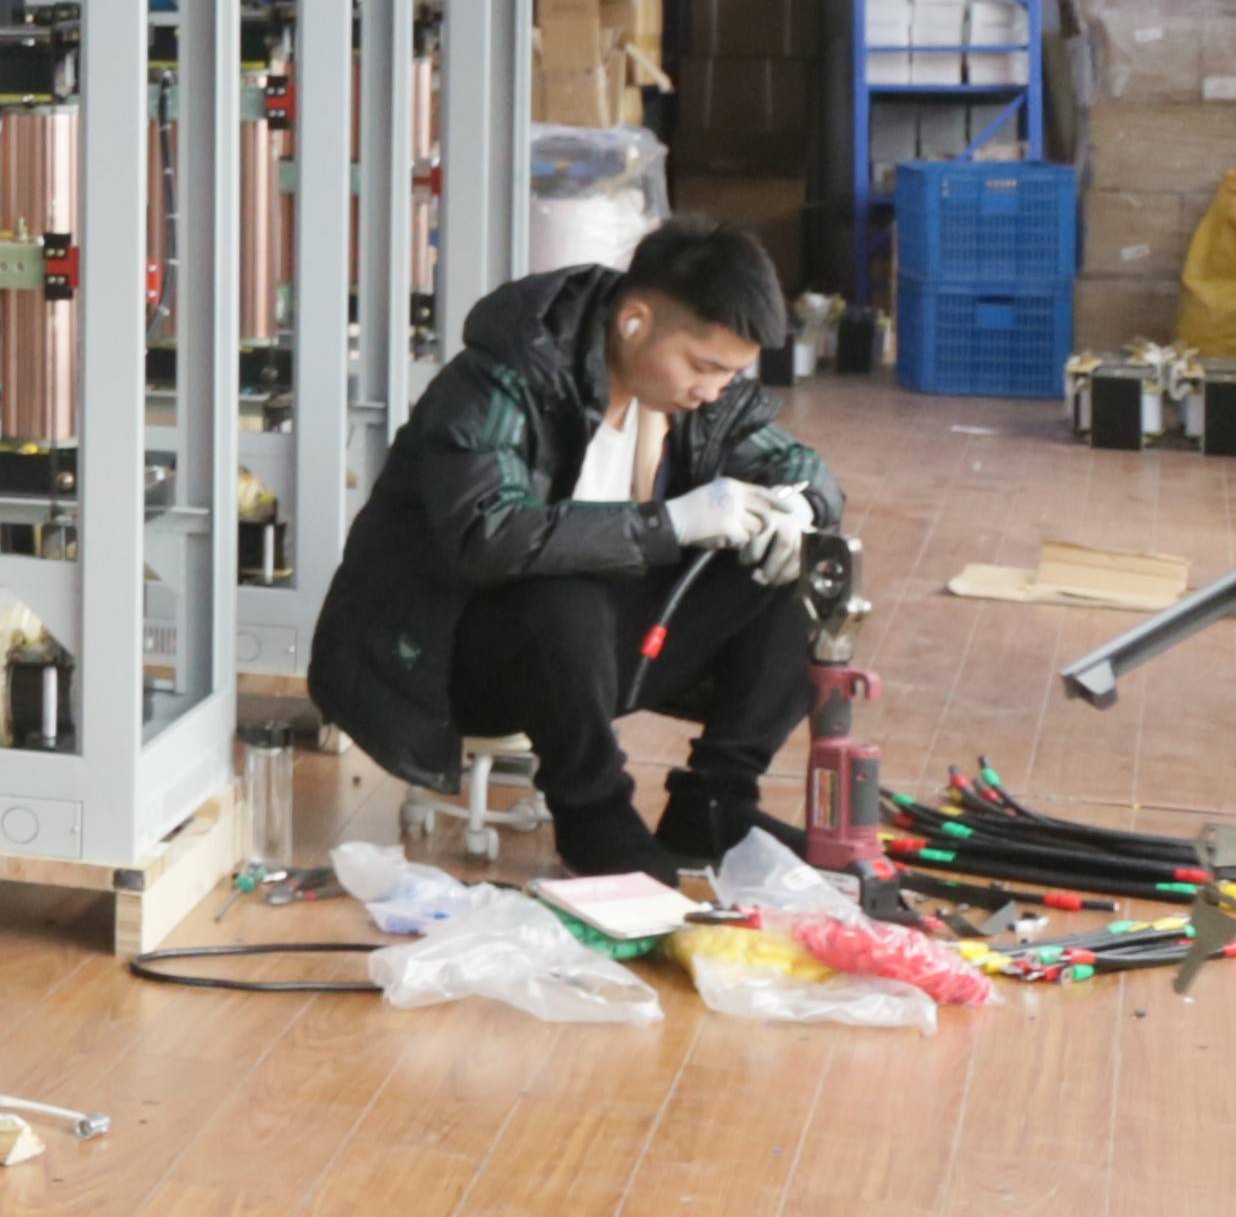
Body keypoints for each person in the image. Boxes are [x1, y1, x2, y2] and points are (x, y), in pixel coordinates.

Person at [306, 217, 841, 884]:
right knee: (565, 593)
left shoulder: (700, 399)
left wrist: (799, 507)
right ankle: (594, 820)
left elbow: (801, 466)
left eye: (731, 374)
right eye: (705, 367)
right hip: (451, 660)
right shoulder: (506, 375)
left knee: (793, 569)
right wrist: (671, 523)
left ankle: (713, 809)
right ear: (635, 322)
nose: (713, 389)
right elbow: (486, 536)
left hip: (589, 659)